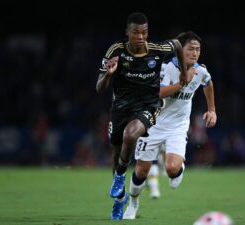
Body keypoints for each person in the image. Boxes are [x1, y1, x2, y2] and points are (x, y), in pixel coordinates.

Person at [96, 12, 188, 220]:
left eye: (144, 33)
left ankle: (120, 177)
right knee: (117, 152)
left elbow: (176, 44)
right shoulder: (116, 51)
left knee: (131, 135)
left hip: (148, 105)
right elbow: (99, 87)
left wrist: (183, 71)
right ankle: (120, 199)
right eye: (136, 33)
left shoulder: (156, 50)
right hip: (120, 108)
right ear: (127, 32)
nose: (140, 37)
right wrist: (108, 75)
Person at [123, 31, 217, 220]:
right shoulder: (166, 67)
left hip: (178, 126)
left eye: (198, 49)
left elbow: (208, 83)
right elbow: (158, 93)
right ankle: (133, 202)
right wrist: (183, 83)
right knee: (141, 170)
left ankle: (179, 168)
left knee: (172, 169)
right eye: (191, 49)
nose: (195, 53)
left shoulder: (201, 70)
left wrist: (212, 109)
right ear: (180, 50)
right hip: (152, 123)